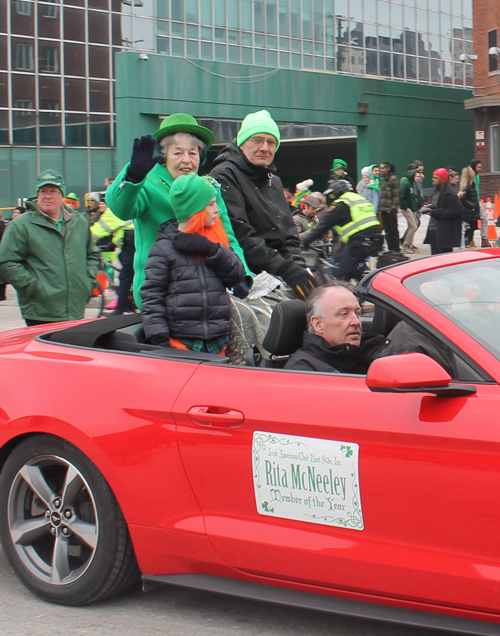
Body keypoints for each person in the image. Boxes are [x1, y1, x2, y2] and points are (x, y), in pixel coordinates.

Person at [105, 113, 250, 308]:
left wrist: (241, 274)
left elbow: (228, 237)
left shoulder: (208, 188)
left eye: (193, 152)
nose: (186, 160)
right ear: (164, 156)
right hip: (160, 297)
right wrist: (132, 177)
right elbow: (121, 209)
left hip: (206, 294)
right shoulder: (147, 184)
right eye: (177, 153)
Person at [210, 110, 316, 299]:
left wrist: (297, 266)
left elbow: (289, 233)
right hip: (249, 276)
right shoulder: (225, 175)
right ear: (241, 143)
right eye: (257, 140)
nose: (265, 148)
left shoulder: (273, 180)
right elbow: (241, 235)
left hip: (279, 270)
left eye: (271, 142)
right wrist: (285, 268)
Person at [141, 172, 245, 355]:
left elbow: (236, 275)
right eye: (211, 204)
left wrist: (212, 249)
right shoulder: (163, 249)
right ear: (194, 209)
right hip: (181, 343)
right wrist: (159, 338)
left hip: (219, 341)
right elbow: (152, 297)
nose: (217, 210)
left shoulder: (214, 240)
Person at [0, 169, 99, 326]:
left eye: (53, 191)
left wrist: (87, 281)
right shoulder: (21, 225)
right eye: (43, 191)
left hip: (75, 308)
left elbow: (92, 255)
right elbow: (7, 262)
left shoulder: (79, 222)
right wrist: (35, 287)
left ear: (62, 195)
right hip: (40, 311)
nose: (47, 196)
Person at [285, 281, 386, 372]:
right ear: (318, 324)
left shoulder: (370, 353)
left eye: (357, 313)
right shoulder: (303, 372)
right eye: (344, 314)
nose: (356, 322)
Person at [302, 179, 382, 282]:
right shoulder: (358, 198)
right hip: (374, 240)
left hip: (360, 242)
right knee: (354, 271)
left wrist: (305, 242)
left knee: (342, 277)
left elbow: (323, 227)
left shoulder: (341, 204)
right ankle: (364, 291)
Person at [423, 168, 462, 255]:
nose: (433, 180)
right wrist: (430, 208)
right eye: (433, 177)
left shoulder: (451, 193)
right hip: (433, 230)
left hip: (444, 232)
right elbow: (438, 205)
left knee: (444, 258)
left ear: (443, 180)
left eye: (436, 178)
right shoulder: (437, 191)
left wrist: (435, 212)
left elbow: (454, 211)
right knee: (434, 258)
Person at [293, 195, 321, 267]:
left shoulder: (314, 218)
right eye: (313, 209)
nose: (314, 211)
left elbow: (319, 238)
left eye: (316, 209)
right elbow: (297, 238)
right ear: (305, 206)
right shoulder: (296, 219)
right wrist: (313, 230)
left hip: (318, 255)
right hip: (306, 257)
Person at [378, 161, 400, 252]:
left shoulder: (393, 179)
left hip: (391, 209)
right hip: (383, 208)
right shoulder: (382, 179)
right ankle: (390, 247)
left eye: (383, 168)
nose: (381, 170)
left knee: (393, 229)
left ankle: (395, 247)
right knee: (386, 229)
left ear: (388, 169)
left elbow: (396, 195)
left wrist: (393, 208)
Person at [399, 164, 419, 254]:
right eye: (417, 176)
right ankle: (406, 244)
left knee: (412, 226)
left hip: (412, 207)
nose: (418, 178)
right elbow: (401, 195)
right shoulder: (405, 182)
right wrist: (405, 207)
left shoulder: (411, 183)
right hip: (407, 208)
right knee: (414, 226)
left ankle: (410, 244)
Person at [458, 166, 480, 248]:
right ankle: (466, 239)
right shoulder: (466, 186)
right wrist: (472, 206)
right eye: (472, 171)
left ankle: (469, 240)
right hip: (469, 209)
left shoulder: (472, 184)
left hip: (473, 209)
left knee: (474, 226)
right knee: (472, 226)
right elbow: (463, 198)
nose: (474, 172)